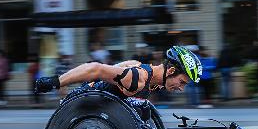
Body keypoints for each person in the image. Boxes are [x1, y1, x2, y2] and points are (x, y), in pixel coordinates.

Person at [34, 46, 202, 109]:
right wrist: (55, 82)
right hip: (80, 105)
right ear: (171, 70)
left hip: (96, 106)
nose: (181, 88)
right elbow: (95, 68)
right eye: (182, 82)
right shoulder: (137, 78)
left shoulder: (154, 81)